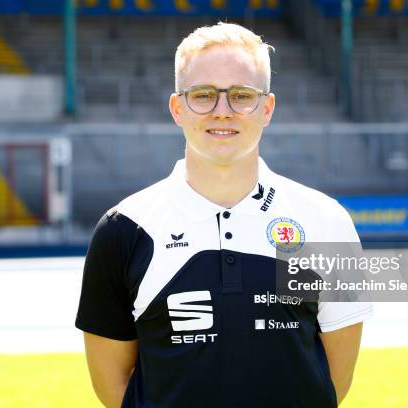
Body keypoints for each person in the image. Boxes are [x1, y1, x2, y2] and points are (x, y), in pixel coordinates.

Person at [75, 22, 372, 408]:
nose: (222, 112)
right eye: (203, 95)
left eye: (241, 96)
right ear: (177, 108)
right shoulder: (123, 229)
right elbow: (112, 386)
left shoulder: (326, 221)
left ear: (267, 109)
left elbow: (335, 379)